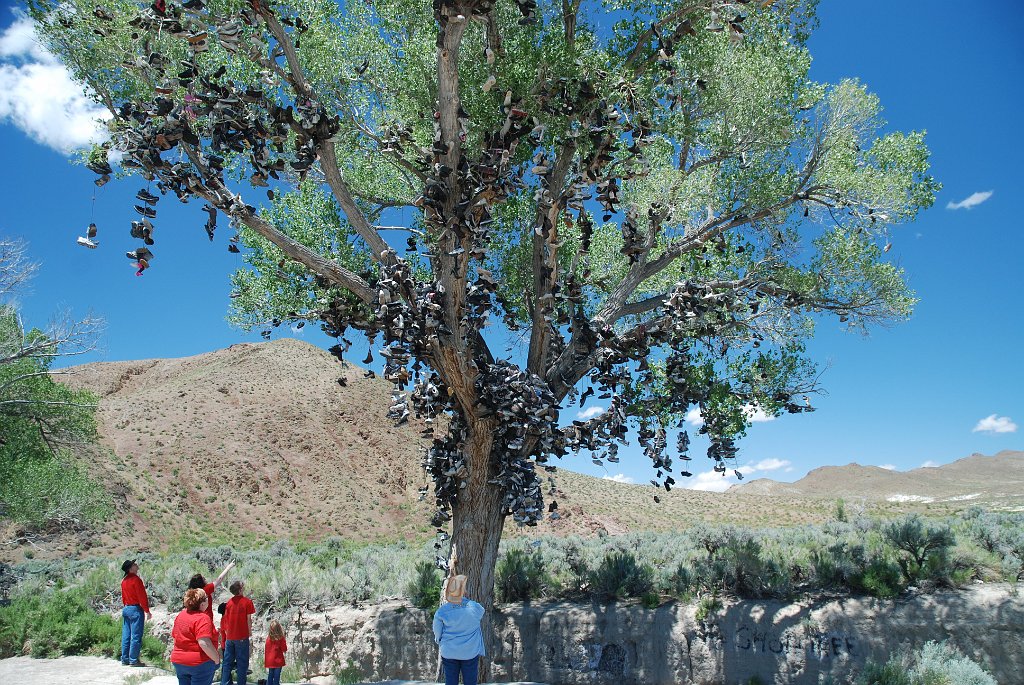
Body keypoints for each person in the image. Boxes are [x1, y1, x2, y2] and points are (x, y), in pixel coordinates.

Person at [432, 574, 485, 685]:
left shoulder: (442, 611)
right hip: (470, 651)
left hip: (449, 651)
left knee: (451, 681)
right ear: (463, 591)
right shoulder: (475, 607)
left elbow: (437, 631)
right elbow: (481, 612)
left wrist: (440, 641)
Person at [170, 588, 221, 685]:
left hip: (179, 661)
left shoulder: (181, 615)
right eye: (206, 598)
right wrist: (216, 658)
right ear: (202, 604)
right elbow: (204, 643)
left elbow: (175, 637)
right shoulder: (203, 618)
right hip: (199, 663)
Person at [221, 580, 256, 685]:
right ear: (240, 590)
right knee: (242, 664)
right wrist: (249, 632)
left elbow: (227, 620)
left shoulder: (229, 603)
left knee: (227, 663)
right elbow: (248, 619)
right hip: (241, 636)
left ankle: (225, 683)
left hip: (230, 636)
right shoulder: (247, 602)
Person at [120, 559, 153, 667]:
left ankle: (125, 659)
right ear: (130, 569)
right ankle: (133, 659)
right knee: (136, 636)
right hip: (135, 609)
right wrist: (147, 611)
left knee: (126, 635)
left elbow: (123, 597)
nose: (136, 565)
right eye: (134, 564)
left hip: (126, 608)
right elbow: (142, 596)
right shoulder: (136, 580)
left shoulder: (124, 580)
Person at [264, 620, 287, 685]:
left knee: (270, 676)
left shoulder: (268, 638)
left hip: (269, 661)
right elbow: (284, 649)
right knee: (276, 678)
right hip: (278, 661)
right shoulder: (280, 638)